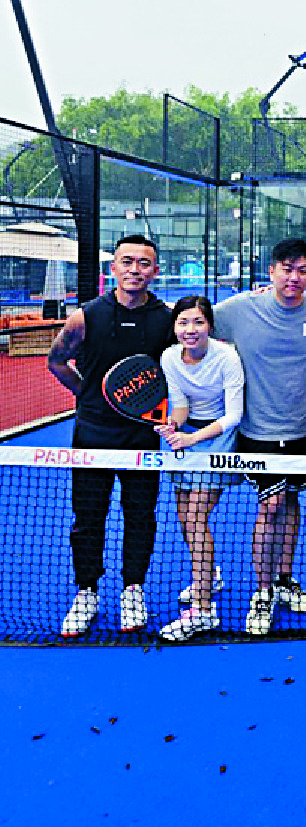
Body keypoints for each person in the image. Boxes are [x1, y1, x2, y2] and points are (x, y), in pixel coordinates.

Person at [49, 234, 174, 637]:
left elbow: (181, 368)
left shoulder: (167, 319)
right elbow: (57, 362)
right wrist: (90, 395)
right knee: (88, 520)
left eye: (143, 263)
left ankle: (132, 590)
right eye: (127, 262)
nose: (135, 269)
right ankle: (86, 592)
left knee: (140, 517)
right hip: (93, 436)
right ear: (113, 269)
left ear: (154, 270)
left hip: (142, 438)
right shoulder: (85, 317)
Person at [213, 238, 306, 636]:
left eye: (302, 270)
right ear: (272, 272)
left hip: (302, 430)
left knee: (291, 501)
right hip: (258, 430)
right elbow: (190, 322)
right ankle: (262, 594)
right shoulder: (238, 310)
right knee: (270, 505)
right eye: (286, 268)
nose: (294, 277)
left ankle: (284, 579)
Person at [155, 296, 245, 642]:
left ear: (209, 325)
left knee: (195, 518)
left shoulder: (226, 358)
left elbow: (233, 415)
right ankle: (209, 574)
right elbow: (179, 404)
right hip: (187, 435)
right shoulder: (168, 358)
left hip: (219, 436)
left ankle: (204, 609)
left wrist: (193, 441)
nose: (190, 330)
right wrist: (173, 427)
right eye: (183, 323)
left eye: (198, 322)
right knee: (186, 518)